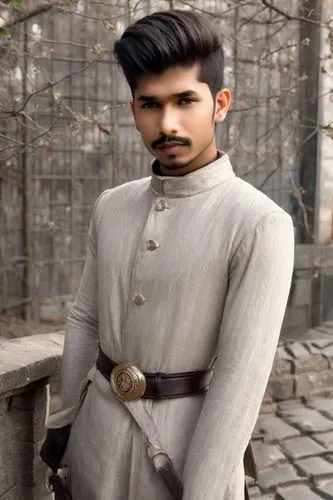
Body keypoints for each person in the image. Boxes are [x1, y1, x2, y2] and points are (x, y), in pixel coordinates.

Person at [41, 9, 294, 500]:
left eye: (185, 101)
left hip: (182, 459)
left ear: (220, 103)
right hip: (95, 442)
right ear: (133, 108)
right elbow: (86, 318)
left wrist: (201, 492)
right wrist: (64, 425)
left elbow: (239, 385)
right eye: (150, 104)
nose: (167, 123)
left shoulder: (259, 223)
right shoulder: (111, 205)